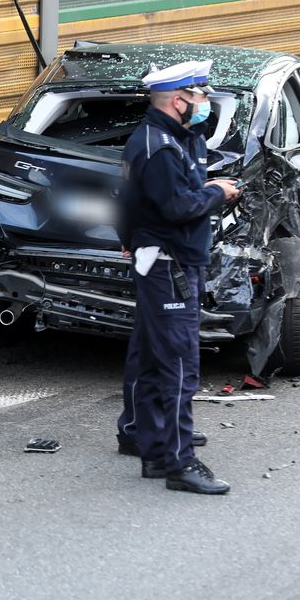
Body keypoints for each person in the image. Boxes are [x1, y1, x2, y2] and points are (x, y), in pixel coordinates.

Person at [115, 60, 240, 495]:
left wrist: (129, 236)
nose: (206, 102)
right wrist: (216, 193)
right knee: (179, 364)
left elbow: (130, 201)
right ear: (178, 100)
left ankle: (154, 447)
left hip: (164, 262)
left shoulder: (169, 139)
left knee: (153, 358)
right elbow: (180, 208)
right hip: (169, 267)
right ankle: (179, 463)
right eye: (201, 95)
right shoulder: (159, 147)